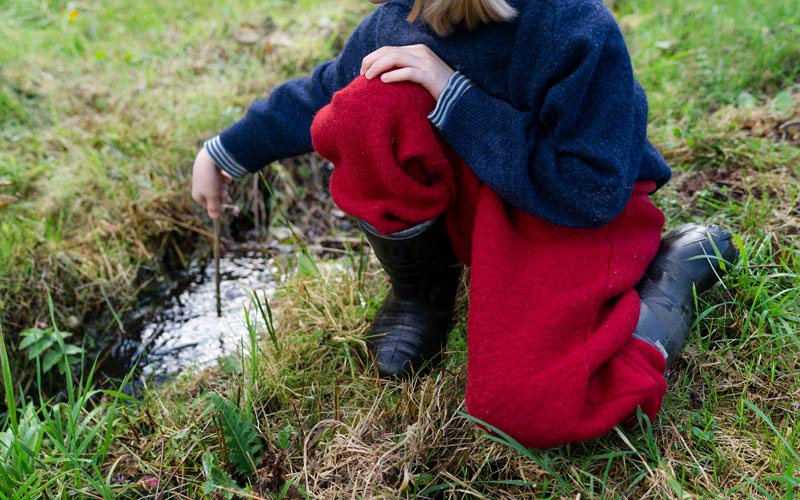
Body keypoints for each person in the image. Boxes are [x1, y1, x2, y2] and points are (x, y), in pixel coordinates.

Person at [191, 0, 738, 449]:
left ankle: (667, 289)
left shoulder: (573, 26)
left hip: (571, 213)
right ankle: (422, 297)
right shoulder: (402, 16)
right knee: (362, 106)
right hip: (486, 195)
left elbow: (589, 190)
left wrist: (454, 95)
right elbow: (322, 93)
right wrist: (225, 152)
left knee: (528, 407)